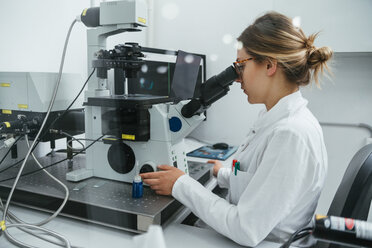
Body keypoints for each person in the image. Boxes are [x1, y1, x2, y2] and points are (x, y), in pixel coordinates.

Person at [140, 11, 332, 247]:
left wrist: (180, 183)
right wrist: (222, 174)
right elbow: (264, 184)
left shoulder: (291, 134)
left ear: (270, 65)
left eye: (240, 65)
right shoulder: (277, 119)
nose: (237, 78)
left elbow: (246, 229)